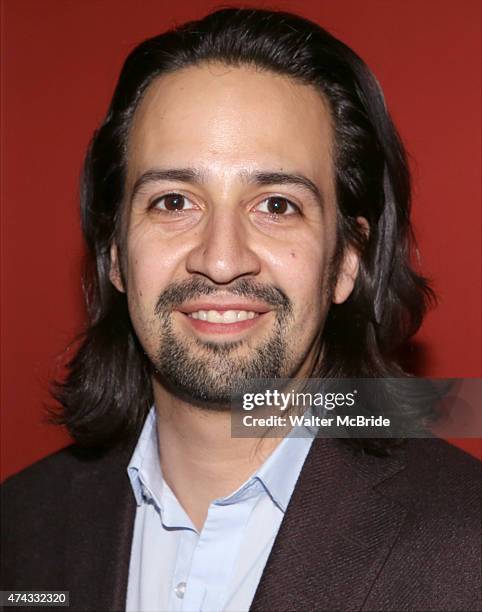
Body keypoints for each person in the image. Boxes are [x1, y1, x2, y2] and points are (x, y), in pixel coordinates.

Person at [1, 7, 480, 612]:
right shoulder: (19, 531)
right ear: (116, 253)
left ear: (347, 260)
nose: (221, 261)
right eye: (174, 201)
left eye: (276, 206)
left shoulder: (469, 550)